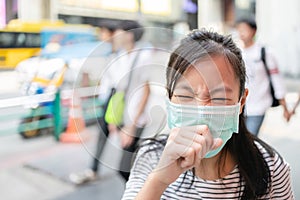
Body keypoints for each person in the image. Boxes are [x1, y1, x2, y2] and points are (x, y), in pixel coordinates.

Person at [122, 29, 294, 199]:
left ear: (241, 102)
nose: (202, 110)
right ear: (169, 97)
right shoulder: (151, 157)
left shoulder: (270, 168)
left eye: (219, 97)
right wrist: (159, 180)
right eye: (185, 96)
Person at [70, 20, 152, 184]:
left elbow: (145, 91)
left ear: (129, 35)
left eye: (119, 32)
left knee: (125, 168)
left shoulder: (143, 56)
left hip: (135, 117)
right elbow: (117, 90)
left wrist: (132, 125)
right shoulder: (120, 56)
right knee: (125, 167)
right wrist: (114, 118)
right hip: (122, 113)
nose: (115, 35)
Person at [235, 17, 291, 136]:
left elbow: (277, 80)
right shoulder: (236, 52)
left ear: (254, 31)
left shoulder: (265, 52)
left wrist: (284, 107)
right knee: (238, 140)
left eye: (244, 29)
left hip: (258, 105)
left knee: (250, 138)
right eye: (239, 29)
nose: (241, 33)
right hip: (238, 106)